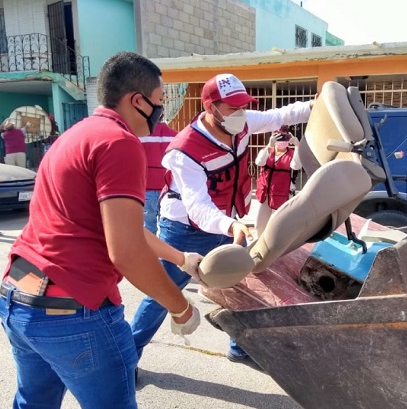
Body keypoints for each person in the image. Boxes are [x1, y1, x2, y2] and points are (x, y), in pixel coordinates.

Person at [0, 51, 203, 409]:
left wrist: (180, 258)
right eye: (159, 101)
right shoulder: (120, 143)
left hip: (18, 296)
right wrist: (180, 307)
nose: (162, 112)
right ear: (137, 100)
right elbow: (125, 251)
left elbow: (120, 227)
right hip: (72, 312)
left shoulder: (73, 136)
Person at [131, 73, 314, 368]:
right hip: (184, 230)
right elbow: (198, 207)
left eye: (243, 106)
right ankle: (128, 357)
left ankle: (239, 347)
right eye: (233, 107)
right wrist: (231, 225)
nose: (241, 113)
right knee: (163, 294)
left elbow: (279, 116)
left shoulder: (241, 123)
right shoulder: (184, 150)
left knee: (238, 283)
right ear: (210, 107)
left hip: (228, 221)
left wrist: (315, 106)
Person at [254, 125, 302, 236]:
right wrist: (269, 146)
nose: (282, 141)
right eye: (279, 137)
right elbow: (259, 162)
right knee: (259, 225)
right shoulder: (267, 151)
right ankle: (260, 242)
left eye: (285, 137)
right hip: (265, 194)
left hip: (282, 195)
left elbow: (296, 166)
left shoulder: (292, 154)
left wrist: (298, 146)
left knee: (278, 227)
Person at [139, 121, 178, 234]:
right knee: (167, 228)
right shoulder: (176, 137)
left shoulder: (141, 137)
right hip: (168, 191)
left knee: (148, 229)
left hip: (146, 189)